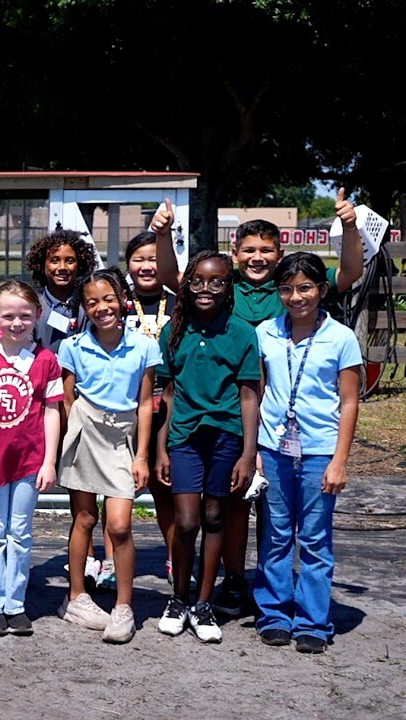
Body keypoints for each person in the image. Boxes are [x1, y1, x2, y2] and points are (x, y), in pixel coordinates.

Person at [151, 195, 361, 616]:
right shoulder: (226, 283)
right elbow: (174, 277)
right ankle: (233, 578)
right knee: (232, 506)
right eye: (249, 250)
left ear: (280, 255)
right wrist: (161, 234)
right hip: (233, 416)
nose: (257, 257)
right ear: (235, 254)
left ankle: (269, 588)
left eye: (266, 250)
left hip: (281, 417)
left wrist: (351, 227)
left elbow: (351, 272)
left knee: (273, 515)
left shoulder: (292, 285)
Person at [254, 252, 361, 654]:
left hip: (320, 452)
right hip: (273, 449)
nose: (296, 297)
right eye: (286, 289)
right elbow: (258, 393)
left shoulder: (341, 338)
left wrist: (340, 461)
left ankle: (313, 621)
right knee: (276, 534)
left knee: (315, 538)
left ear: (321, 289)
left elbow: (349, 401)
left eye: (304, 288)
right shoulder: (266, 333)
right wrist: (256, 449)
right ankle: (274, 615)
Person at [153, 251, 261, 644]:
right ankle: (178, 598)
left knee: (215, 517)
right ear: (186, 285)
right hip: (184, 437)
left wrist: (247, 454)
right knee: (186, 521)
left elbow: (249, 395)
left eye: (217, 281)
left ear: (229, 287)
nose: (206, 288)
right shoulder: (173, 330)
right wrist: (161, 448)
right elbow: (167, 392)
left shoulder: (242, 332)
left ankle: (203, 604)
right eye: (198, 280)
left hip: (226, 437)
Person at [55, 270, 161, 644]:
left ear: (123, 301)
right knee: (84, 518)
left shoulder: (144, 346)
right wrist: (67, 442)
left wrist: (142, 456)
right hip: (85, 431)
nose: (102, 308)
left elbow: (145, 403)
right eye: (92, 302)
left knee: (119, 525)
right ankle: (76, 598)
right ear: (84, 308)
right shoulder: (71, 347)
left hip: (121, 439)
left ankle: (123, 606)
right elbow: (67, 399)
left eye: (108, 299)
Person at [0, 281, 63, 637]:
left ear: (37, 315)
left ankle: (14, 603)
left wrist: (49, 461)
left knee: (20, 532)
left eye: (24, 316)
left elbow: (52, 412)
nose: (17, 323)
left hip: (29, 462)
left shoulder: (46, 360)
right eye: (8, 316)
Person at [122, 230, 178, 588]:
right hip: (122, 407)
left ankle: (175, 558)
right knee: (116, 491)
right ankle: (111, 561)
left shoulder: (179, 303)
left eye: (154, 259)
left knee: (164, 488)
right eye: (138, 259)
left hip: (166, 406)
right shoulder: (116, 300)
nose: (146, 266)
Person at [25, 229, 97, 352]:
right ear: (42, 264)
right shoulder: (32, 305)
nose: (62, 267)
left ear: (79, 264)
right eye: (54, 261)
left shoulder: (88, 304)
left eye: (70, 261)